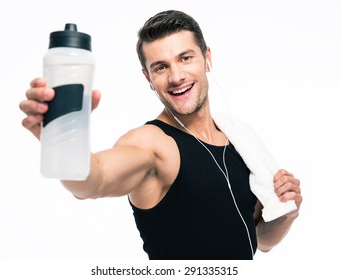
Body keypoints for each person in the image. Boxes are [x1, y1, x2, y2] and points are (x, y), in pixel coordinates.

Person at [19, 10, 302, 260]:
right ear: (148, 79)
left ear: (207, 58)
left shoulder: (237, 138)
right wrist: (62, 139)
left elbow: (258, 238)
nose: (176, 76)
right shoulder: (153, 144)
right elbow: (94, 180)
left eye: (185, 58)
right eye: (161, 67)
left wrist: (285, 214)